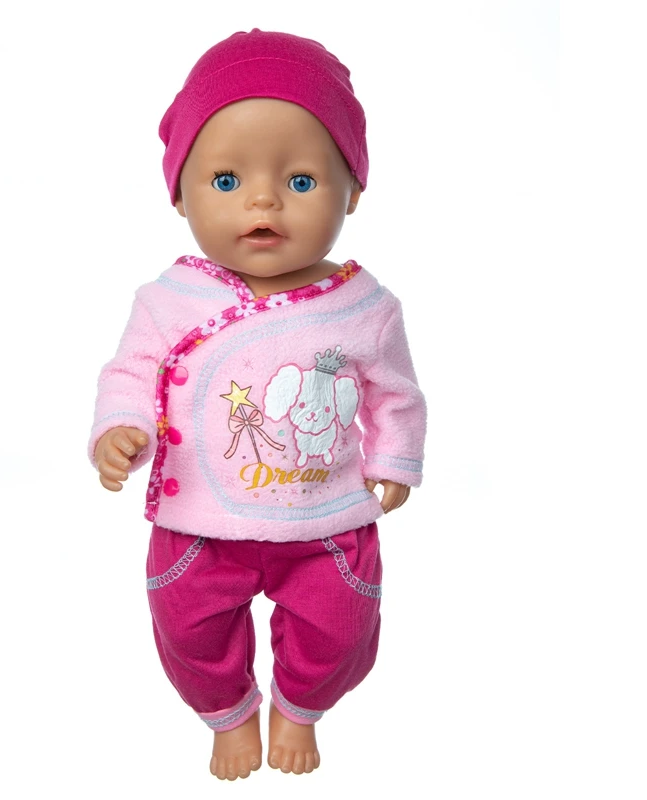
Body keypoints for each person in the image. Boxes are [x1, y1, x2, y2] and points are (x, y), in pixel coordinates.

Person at [88, 28, 427, 780]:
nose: (264, 198)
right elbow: (130, 373)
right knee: (189, 629)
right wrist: (121, 427)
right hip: (200, 521)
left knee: (340, 627)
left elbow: (396, 393)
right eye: (226, 179)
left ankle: (301, 706)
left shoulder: (364, 306)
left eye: (301, 181)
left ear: (353, 191)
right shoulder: (169, 299)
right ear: (180, 194)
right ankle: (228, 713)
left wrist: (395, 458)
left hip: (325, 518)